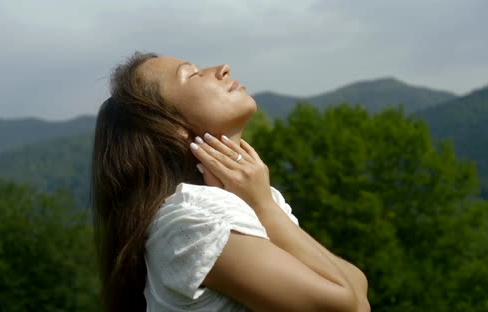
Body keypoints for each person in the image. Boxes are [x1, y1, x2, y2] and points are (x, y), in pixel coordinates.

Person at [91, 52, 370, 312]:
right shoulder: (191, 222)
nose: (222, 69)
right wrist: (263, 208)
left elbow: (358, 289)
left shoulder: (251, 197)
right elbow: (350, 305)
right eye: (192, 75)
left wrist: (262, 202)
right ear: (171, 127)